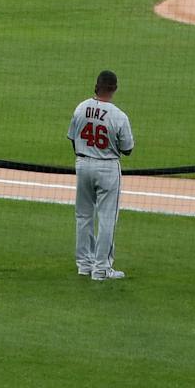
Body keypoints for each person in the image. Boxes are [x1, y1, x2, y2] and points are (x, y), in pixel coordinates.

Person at [70, 70, 135, 281]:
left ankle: (84, 265)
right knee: (107, 218)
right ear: (114, 89)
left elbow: (73, 139)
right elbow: (127, 149)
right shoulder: (118, 115)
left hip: (82, 164)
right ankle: (101, 269)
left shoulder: (81, 108)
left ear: (96, 86)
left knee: (83, 216)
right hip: (107, 168)